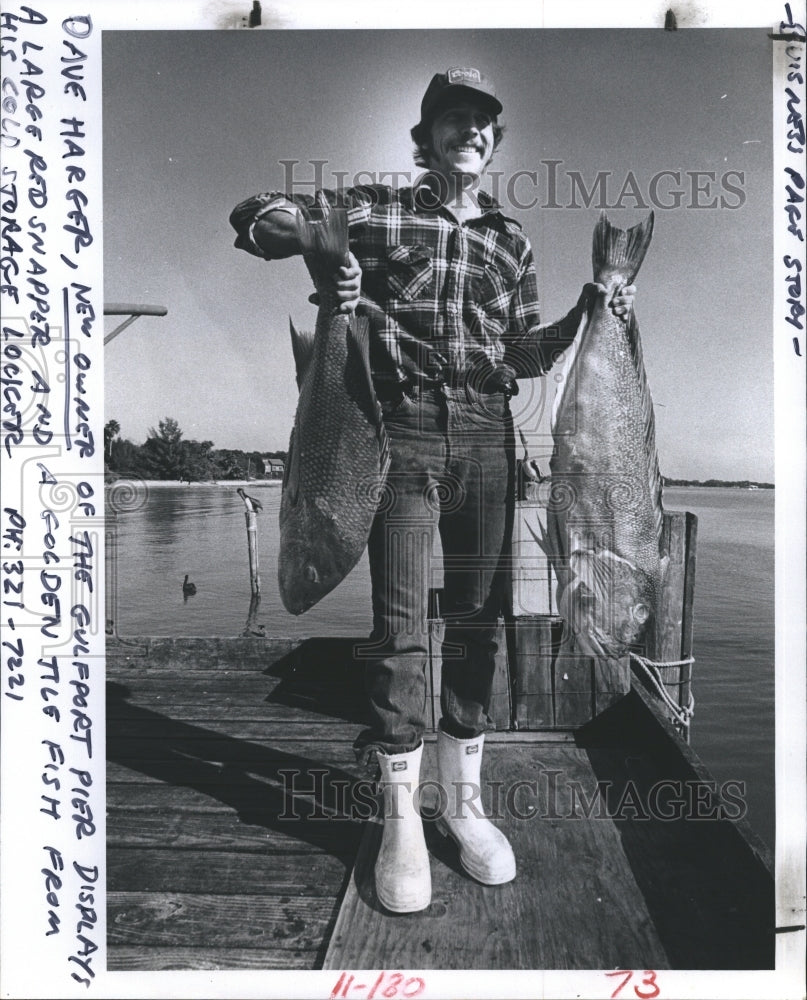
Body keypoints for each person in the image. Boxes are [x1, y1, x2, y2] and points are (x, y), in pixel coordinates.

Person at [230, 67, 635, 914]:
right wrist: (314, 247)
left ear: (493, 142)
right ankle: (401, 819)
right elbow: (255, 218)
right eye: (452, 119)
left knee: (482, 624)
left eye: (482, 123)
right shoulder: (377, 208)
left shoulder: (510, 241)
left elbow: (523, 354)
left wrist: (591, 309)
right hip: (400, 434)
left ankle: (462, 806)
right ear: (428, 135)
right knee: (403, 627)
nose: (469, 133)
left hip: (490, 435)